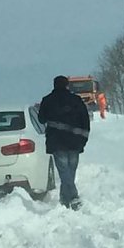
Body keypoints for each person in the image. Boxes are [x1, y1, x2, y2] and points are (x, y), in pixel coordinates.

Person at [38, 75, 91, 209]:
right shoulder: (76, 100)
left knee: (64, 171)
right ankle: (72, 197)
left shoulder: (47, 100)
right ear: (67, 85)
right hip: (75, 141)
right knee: (70, 171)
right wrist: (83, 138)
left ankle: (66, 197)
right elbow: (85, 120)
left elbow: (41, 119)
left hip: (56, 141)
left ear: (54, 85)